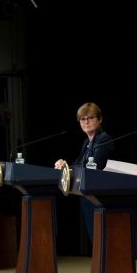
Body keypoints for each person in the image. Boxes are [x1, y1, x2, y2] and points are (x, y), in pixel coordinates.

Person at [54, 102, 115, 242]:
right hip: (88, 196)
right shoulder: (87, 143)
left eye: (90, 118)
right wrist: (65, 166)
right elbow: (79, 165)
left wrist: (69, 169)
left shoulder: (103, 139)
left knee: (100, 239)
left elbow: (93, 166)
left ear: (100, 119)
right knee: (95, 239)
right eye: (83, 119)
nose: (86, 122)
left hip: (99, 196)